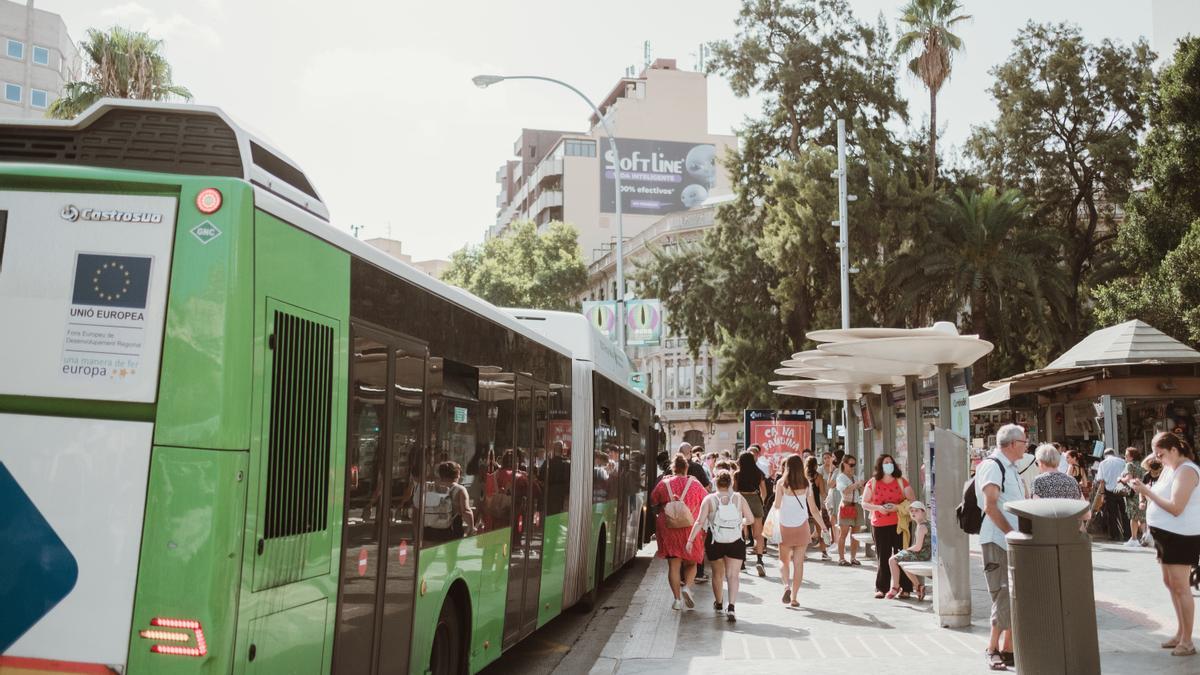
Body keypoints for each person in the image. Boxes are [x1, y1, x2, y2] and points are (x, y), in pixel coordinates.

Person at [1128, 432, 1200, 657]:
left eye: (1161, 454)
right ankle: (1181, 633)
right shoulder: (1170, 468)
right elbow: (1157, 487)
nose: (1157, 458)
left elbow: (1177, 507)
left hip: (1180, 535)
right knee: (1170, 582)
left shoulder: (1187, 471)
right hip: (1165, 534)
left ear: (1174, 450)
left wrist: (1146, 491)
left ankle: (1187, 641)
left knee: (1181, 586)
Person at [977, 424, 1029, 671]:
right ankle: (992, 648)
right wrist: (1011, 533)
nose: (1026, 445)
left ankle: (1008, 648)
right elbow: (990, 505)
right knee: (1003, 593)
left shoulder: (1012, 468)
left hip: (1011, 541)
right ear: (1011, 443)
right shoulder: (993, 466)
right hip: (998, 540)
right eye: (1023, 441)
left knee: (1013, 593)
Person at [687, 470, 755, 622]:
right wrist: (740, 522)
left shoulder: (709, 499)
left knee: (718, 574)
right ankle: (731, 607)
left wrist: (690, 540)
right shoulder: (738, 498)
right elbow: (750, 519)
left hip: (715, 541)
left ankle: (719, 603)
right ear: (731, 483)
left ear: (715, 483)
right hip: (736, 541)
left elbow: (699, 522)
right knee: (733, 575)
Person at [650, 454, 707, 610]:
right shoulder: (695, 484)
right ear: (686, 468)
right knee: (691, 563)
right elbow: (706, 501)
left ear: (673, 468)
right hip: (690, 527)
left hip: (669, 527)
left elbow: (653, 500)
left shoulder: (664, 483)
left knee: (673, 566)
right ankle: (687, 587)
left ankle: (676, 600)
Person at [863, 452, 916, 599]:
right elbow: (864, 503)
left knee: (902, 555)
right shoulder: (873, 482)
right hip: (879, 524)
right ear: (880, 465)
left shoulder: (901, 481)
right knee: (883, 556)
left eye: (890, 462)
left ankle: (906, 587)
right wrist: (879, 508)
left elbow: (913, 500)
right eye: (885, 462)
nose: (888, 465)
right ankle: (882, 588)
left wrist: (897, 508)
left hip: (900, 524)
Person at [772, 455, 821, 608]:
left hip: (785, 526)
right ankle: (794, 597)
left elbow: (777, 505)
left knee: (783, 561)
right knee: (798, 564)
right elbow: (813, 509)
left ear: (787, 467)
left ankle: (786, 586)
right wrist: (823, 527)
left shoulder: (781, 483)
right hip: (802, 527)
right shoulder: (807, 484)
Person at [886, 501, 931, 601]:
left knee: (892, 560)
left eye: (916, 511)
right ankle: (918, 586)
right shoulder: (927, 523)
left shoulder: (921, 527)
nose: (913, 513)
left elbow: (918, 547)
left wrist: (905, 550)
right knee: (902, 561)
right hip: (926, 553)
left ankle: (895, 586)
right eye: (911, 511)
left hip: (922, 554)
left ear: (923, 512)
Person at [734, 451, 768, 576]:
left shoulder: (737, 474)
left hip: (741, 501)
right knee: (758, 534)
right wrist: (761, 502)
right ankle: (759, 560)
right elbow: (764, 491)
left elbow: (734, 490)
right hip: (755, 500)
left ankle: (742, 561)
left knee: (741, 533)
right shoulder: (758, 473)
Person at [423, 461, 474, 541]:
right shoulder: (459, 490)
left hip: (429, 529)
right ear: (457, 474)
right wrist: (471, 527)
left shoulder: (430, 487)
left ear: (440, 474)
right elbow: (466, 511)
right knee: (450, 553)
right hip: (451, 530)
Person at [1096, 448, 1132, 541]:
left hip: (1110, 491)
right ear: (1114, 453)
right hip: (1122, 490)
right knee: (1125, 513)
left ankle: (1114, 535)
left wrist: (1102, 494)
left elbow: (1101, 480)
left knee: (1112, 514)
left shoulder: (1103, 463)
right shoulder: (1122, 461)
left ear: (1105, 455)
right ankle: (1127, 534)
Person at [835, 455, 864, 566]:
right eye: (851, 464)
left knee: (856, 534)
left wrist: (861, 487)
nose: (853, 467)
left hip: (856, 505)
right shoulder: (841, 477)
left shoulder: (854, 477)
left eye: (854, 465)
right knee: (844, 533)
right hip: (846, 505)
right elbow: (845, 490)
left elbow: (859, 492)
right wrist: (856, 485)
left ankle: (853, 557)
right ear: (844, 464)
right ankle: (841, 558)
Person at [804, 456, 831, 561]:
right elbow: (823, 493)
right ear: (816, 465)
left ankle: (803, 552)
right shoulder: (818, 476)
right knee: (820, 530)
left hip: (803, 505)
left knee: (804, 530)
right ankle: (824, 552)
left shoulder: (803, 476)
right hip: (815, 505)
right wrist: (827, 502)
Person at [1121, 447, 1148, 547]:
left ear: (1132, 457)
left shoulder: (1129, 465)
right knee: (1142, 516)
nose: (1125, 457)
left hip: (1133, 493)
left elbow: (1128, 479)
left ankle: (1134, 538)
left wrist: (1120, 479)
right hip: (1142, 492)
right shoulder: (1142, 465)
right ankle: (1145, 536)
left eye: (1127, 455)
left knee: (1133, 516)